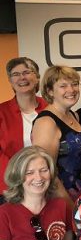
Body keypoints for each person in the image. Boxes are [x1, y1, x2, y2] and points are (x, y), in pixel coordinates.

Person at [32, 66, 81, 202]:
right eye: (63, 86)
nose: (71, 90)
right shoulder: (46, 122)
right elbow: (47, 174)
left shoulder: (74, 115)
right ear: (50, 91)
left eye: (74, 84)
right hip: (65, 201)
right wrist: (70, 210)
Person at [0, 57, 47, 197]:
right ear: (10, 80)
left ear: (37, 77)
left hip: (46, 184)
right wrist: (17, 177)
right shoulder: (1, 112)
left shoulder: (51, 109)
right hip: (11, 186)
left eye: (27, 72)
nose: (22, 77)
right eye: (15, 74)